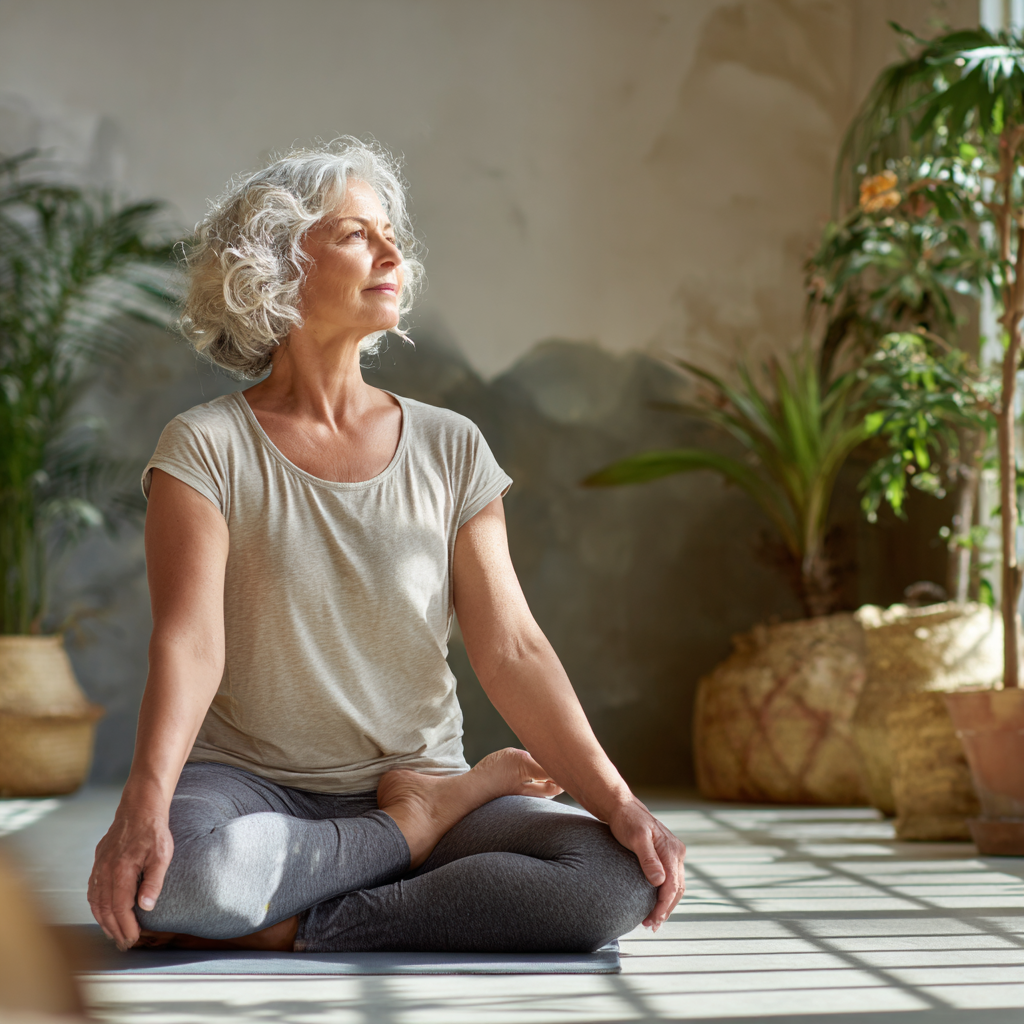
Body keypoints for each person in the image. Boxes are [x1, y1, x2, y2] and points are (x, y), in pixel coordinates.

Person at [87, 138, 686, 955]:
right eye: (354, 233)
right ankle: (415, 833)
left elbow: (511, 646)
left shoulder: (452, 446)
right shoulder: (206, 447)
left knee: (610, 879)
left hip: (422, 768)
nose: (392, 251)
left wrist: (619, 804)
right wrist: (144, 807)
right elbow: (189, 644)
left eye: (391, 232)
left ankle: (324, 897)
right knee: (184, 874)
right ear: (276, 265)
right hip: (249, 790)